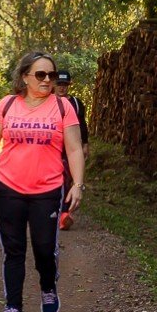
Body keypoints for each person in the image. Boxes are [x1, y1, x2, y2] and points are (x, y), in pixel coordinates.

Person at [0, 51, 84, 312]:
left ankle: (47, 285)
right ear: (24, 76)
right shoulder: (6, 105)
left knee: (44, 248)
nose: (47, 80)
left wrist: (77, 185)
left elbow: (75, 148)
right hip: (9, 188)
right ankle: (14, 310)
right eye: (40, 74)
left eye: (51, 75)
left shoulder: (63, 107)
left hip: (48, 190)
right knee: (13, 250)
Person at [55, 69, 89, 231]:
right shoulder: (49, 102)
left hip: (70, 148)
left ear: (70, 85)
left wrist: (85, 144)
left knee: (68, 179)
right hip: (52, 147)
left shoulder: (76, 103)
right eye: (59, 84)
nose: (62, 88)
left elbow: (82, 125)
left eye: (65, 85)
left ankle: (64, 213)